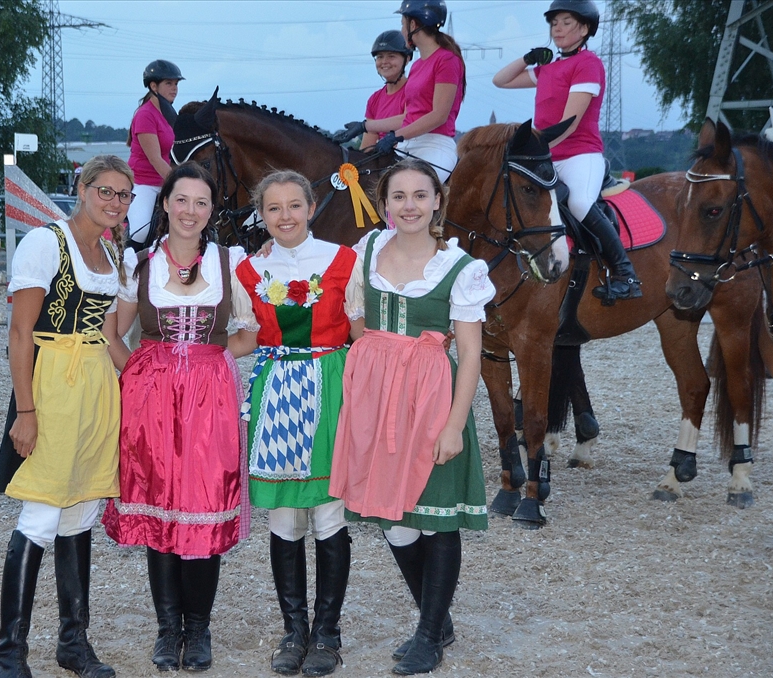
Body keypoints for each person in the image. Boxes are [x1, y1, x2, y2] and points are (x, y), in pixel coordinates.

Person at [330, 158, 493, 675]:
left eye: (420, 195)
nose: (409, 206)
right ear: (383, 204)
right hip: (377, 396)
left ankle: (428, 634)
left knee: (436, 517)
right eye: (398, 196)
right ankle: (435, 619)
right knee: (392, 516)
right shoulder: (368, 251)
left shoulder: (460, 269)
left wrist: (454, 425)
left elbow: (471, 354)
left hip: (432, 397)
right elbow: (345, 309)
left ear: (437, 201)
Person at [0, 154, 134, 678]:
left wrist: (146, 386)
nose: (115, 202)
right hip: (53, 382)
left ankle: (74, 644)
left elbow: (109, 336)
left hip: (96, 387)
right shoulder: (45, 243)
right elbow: (20, 333)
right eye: (105, 191)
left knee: (81, 512)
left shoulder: (113, 252)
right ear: (82, 188)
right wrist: (26, 410)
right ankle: (9, 654)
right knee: (42, 515)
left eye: (124, 195)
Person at [102, 162, 246, 673]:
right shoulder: (139, 263)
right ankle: (168, 630)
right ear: (164, 203)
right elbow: (112, 333)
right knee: (159, 508)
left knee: (205, 504)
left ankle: (198, 629)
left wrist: (207, 361)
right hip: (152, 404)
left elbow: (249, 334)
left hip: (211, 401)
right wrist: (139, 374)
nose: (190, 210)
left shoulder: (231, 262)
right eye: (181, 199)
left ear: (211, 210)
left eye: (201, 202)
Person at [229, 170, 365, 677]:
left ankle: (327, 632)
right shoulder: (248, 270)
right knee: (285, 515)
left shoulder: (344, 260)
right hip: (277, 388)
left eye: (293, 205)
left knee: (328, 513)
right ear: (261, 214)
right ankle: (294, 630)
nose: (284, 216)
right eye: (273, 208)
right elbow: (245, 339)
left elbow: (361, 333)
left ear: (311, 207)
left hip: (330, 384)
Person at [492, 0, 641, 301]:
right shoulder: (548, 67)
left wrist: (535, 150)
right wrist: (528, 58)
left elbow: (569, 124)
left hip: (580, 154)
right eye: (554, 23)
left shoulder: (588, 64)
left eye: (566, 22)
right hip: (547, 156)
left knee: (580, 203)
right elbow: (500, 80)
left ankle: (626, 274)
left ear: (584, 29)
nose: (557, 29)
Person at [333, 0, 465, 183]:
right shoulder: (417, 66)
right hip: (407, 144)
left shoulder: (447, 60)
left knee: (414, 187)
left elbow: (439, 116)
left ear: (413, 25)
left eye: (403, 24)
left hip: (435, 145)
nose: (402, 31)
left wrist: (396, 136)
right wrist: (364, 126)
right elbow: (408, 117)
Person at [125, 59, 183, 250]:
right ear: (153, 86)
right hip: (142, 183)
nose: (174, 88)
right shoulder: (145, 114)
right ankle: (126, 261)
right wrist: (179, 182)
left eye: (176, 84)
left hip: (163, 182)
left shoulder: (170, 114)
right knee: (140, 231)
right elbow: (155, 158)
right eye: (169, 83)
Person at [361, 30, 413, 150]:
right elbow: (367, 147)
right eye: (380, 57)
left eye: (391, 56)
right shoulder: (374, 99)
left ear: (407, 59)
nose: (384, 62)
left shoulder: (412, 90)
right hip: (382, 158)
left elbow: (408, 120)